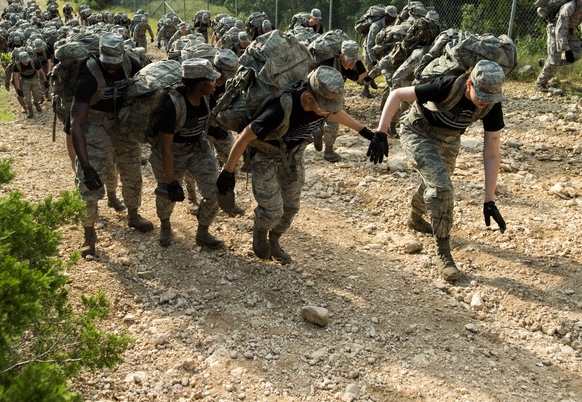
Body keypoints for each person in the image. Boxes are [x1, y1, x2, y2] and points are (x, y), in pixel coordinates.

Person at [217, 66, 375, 264]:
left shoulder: (322, 106)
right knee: (272, 211)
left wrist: (366, 133)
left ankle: (274, 240)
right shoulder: (278, 110)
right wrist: (228, 172)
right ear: (309, 97)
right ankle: (260, 230)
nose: (329, 111)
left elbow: (335, 113)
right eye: (326, 106)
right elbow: (244, 138)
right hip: (264, 155)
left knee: (291, 207)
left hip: (291, 155)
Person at [368, 60, 507, 282]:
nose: (483, 102)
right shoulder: (446, 86)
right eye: (480, 95)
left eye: (489, 98)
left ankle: (414, 218)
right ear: (469, 84)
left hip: (450, 140)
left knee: (434, 183)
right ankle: (444, 253)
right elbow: (397, 94)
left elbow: (491, 151)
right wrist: (381, 133)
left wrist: (489, 200)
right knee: (442, 188)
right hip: (418, 132)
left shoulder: (492, 103)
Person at [71, 33, 151, 259]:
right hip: (94, 125)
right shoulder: (88, 76)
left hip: (122, 124)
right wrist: (85, 165)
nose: (112, 66)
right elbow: (77, 122)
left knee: (132, 171)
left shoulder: (131, 66)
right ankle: (89, 233)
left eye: (116, 61)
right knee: (89, 182)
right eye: (108, 62)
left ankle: (133, 214)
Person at [150, 59, 228, 249]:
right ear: (201, 84)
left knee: (215, 192)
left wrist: (213, 131)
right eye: (211, 80)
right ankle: (165, 225)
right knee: (167, 195)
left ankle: (202, 233)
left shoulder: (206, 97)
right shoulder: (172, 106)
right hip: (173, 152)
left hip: (197, 149)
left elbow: (201, 121)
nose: (215, 83)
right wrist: (171, 182)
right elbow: (165, 147)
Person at [315, 40, 372, 162]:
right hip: (318, 91)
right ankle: (328, 151)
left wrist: (367, 77)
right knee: (333, 121)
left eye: (355, 59)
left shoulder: (353, 63)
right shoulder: (327, 65)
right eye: (350, 60)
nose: (353, 63)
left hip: (333, 92)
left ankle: (318, 129)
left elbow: (358, 76)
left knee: (331, 118)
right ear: (341, 56)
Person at [536, 0, 582, 91]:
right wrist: (566, 49)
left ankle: (548, 64)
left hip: (569, 31)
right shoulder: (569, 7)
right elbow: (560, 29)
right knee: (555, 59)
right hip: (555, 30)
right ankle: (541, 83)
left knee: (577, 55)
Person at [363, 5, 399, 95]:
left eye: (394, 17)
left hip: (381, 48)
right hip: (369, 49)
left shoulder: (393, 25)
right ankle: (365, 89)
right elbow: (369, 44)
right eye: (391, 17)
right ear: (386, 15)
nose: (393, 19)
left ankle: (371, 80)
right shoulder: (376, 26)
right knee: (371, 68)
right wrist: (373, 60)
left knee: (382, 68)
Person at [12, 51, 48, 118]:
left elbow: (41, 72)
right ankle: (30, 110)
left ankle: (36, 103)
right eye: (24, 61)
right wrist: (18, 89)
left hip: (34, 79)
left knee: (38, 94)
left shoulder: (33, 62)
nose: (26, 62)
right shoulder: (17, 65)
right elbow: (16, 77)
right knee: (27, 97)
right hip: (25, 81)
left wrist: (45, 81)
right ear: (20, 60)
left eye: (27, 60)